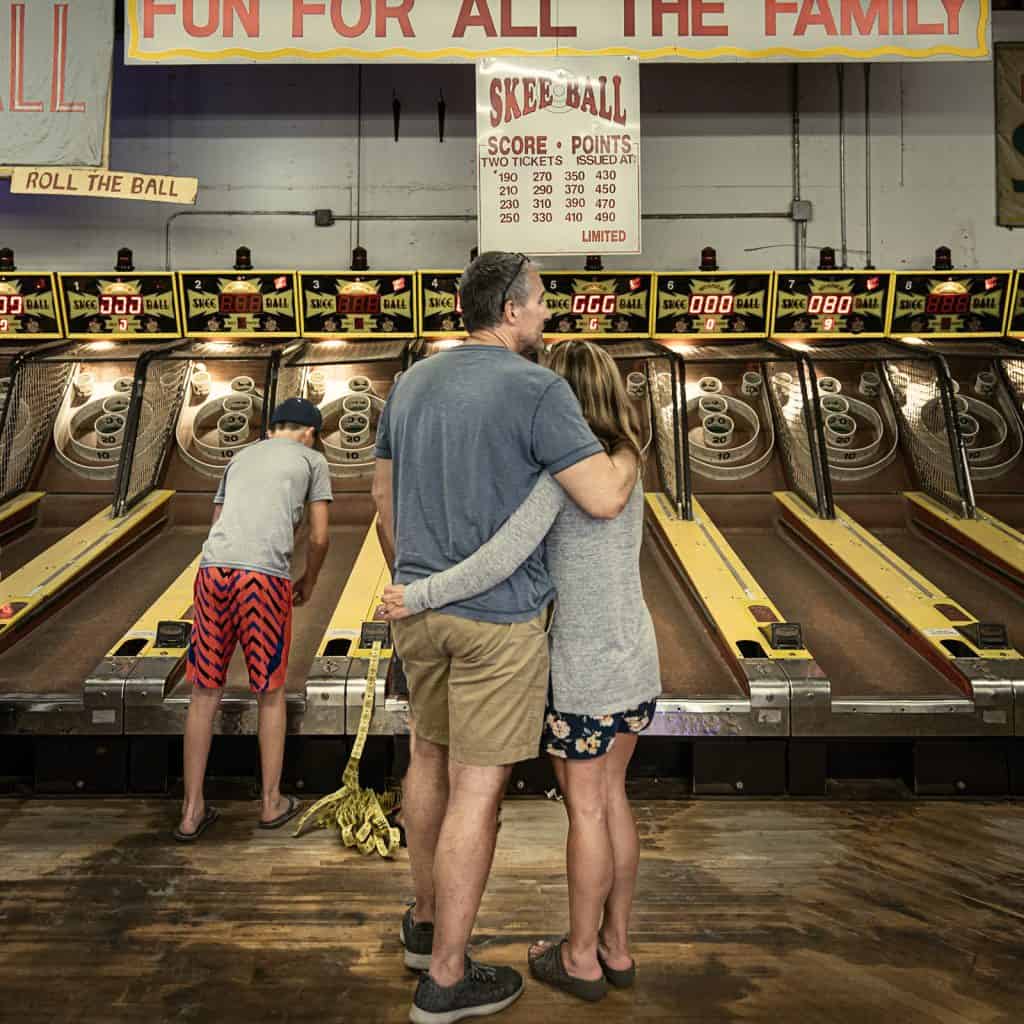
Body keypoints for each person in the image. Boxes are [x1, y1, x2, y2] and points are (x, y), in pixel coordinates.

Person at [372, 252, 637, 1024]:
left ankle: (427, 924)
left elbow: (382, 496)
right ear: (512, 309)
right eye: (543, 300)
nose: (548, 313)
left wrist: (414, 581)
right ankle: (447, 978)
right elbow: (602, 497)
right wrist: (630, 447)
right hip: (497, 621)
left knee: (427, 759)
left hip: (419, 609)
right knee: (476, 790)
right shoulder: (537, 388)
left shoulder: (411, 382)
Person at [174, 397, 332, 842]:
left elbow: (217, 521)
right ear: (310, 433)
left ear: (273, 428)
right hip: (262, 580)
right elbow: (320, 537)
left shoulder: (239, 458)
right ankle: (270, 802)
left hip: (213, 572)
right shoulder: (313, 460)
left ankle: (191, 810)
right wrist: (309, 581)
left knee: (204, 692)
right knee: (270, 691)